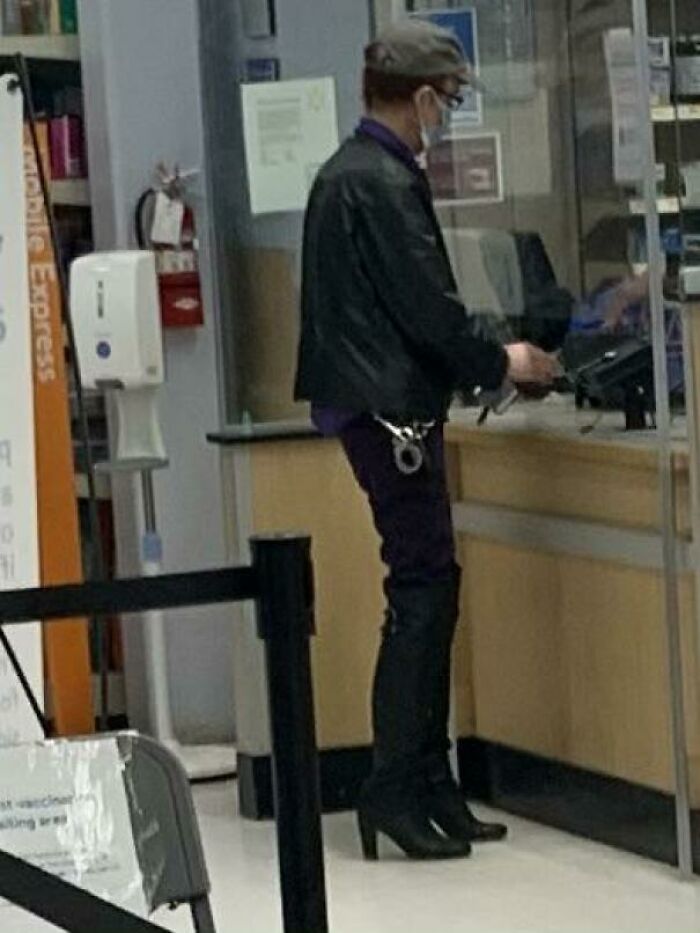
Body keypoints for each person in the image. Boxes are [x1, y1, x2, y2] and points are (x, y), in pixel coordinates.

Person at [294, 19, 557, 862]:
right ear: (420, 99)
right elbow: (428, 311)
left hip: (373, 404)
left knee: (429, 583)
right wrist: (504, 360)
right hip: (391, 412)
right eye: (446, 99)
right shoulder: (380, 181)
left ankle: (429, 781)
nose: (447, 115)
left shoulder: (349, 173)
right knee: (422, 588)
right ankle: (394, 787)